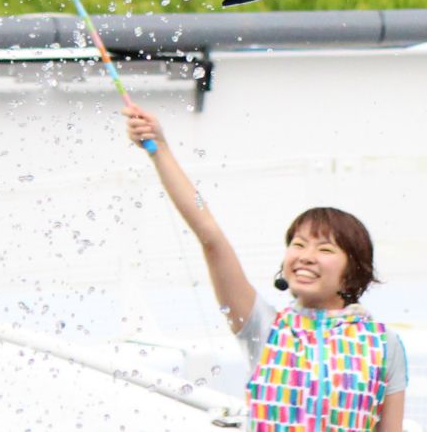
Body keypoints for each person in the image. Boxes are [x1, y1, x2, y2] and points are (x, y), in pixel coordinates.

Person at [123, 101, 407, 431]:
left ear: (353, 271)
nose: (305, 255)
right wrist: (160, 149)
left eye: (325, 248)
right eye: (298, 244)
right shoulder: (265, 328)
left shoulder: (383, 344)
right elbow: (210, 236)